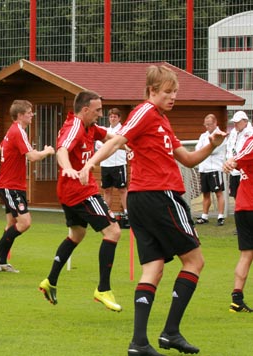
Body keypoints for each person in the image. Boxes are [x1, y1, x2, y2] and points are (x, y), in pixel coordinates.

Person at [80, 65, 226, 356]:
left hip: (140, 200)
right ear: (151, 91)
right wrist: (89, 164)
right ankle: (170, 332)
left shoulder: (161, 120)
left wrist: (212, 144)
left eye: (175, 92)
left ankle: (139, 343)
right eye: (168, 92)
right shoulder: (145, 112)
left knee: (154, 268)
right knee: (194, 261)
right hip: (159, 196)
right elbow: (118, 140)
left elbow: (187, 159)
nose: (173, 97)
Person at [38, 91, 122, 312]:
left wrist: (131, 145)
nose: (100, 115)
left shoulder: (89, 127)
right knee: (113, 231)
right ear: (85, 110)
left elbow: (112, 139)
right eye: (97, 111)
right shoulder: (74, 126)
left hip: (70, 192)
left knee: (77, 234)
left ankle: (50, 281)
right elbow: (62, 149)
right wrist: (67, 168)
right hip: (80, 191)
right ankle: (103, 289)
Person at [0, 100, 55, 273]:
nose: (32, 115)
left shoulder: (14, 131)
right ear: (20, 115)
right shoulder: (18, 131)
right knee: (24, 222)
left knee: (11, 223)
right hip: (11, 185)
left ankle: (2, 261)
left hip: (11, 184)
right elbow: (32, 157)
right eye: (29, 112)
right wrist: (47, 151)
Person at [224, 134, 253, 312]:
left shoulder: (248, 142)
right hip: (250, 206)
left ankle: (237, 299)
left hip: (242, 207)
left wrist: (233, 161)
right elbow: (241, 157)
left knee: (246, 255)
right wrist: (232, 161)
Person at [96, 107, 129, 224]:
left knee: (122, 189)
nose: (112, 118)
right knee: (107, 190)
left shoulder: (123, 130)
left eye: (115, 116)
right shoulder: (105, 130)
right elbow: (99, 145)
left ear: (119, 118)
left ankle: (126, 213)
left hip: (119, 163)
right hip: (106, 164)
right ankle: (107, 213)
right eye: (111, 116)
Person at [194, 114, 226, 226]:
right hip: (204, 169)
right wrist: (206, 149)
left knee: (218, 193)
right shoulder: (203, 136)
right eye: (206, 124)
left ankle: (221, 216)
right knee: (205, 194)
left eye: (210, 124)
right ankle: (205, 216)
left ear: (215, 123)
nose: (207, 127)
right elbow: (197, 149)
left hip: (215, 168)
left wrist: (205, 149)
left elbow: (214, 150)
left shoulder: (221, 135)